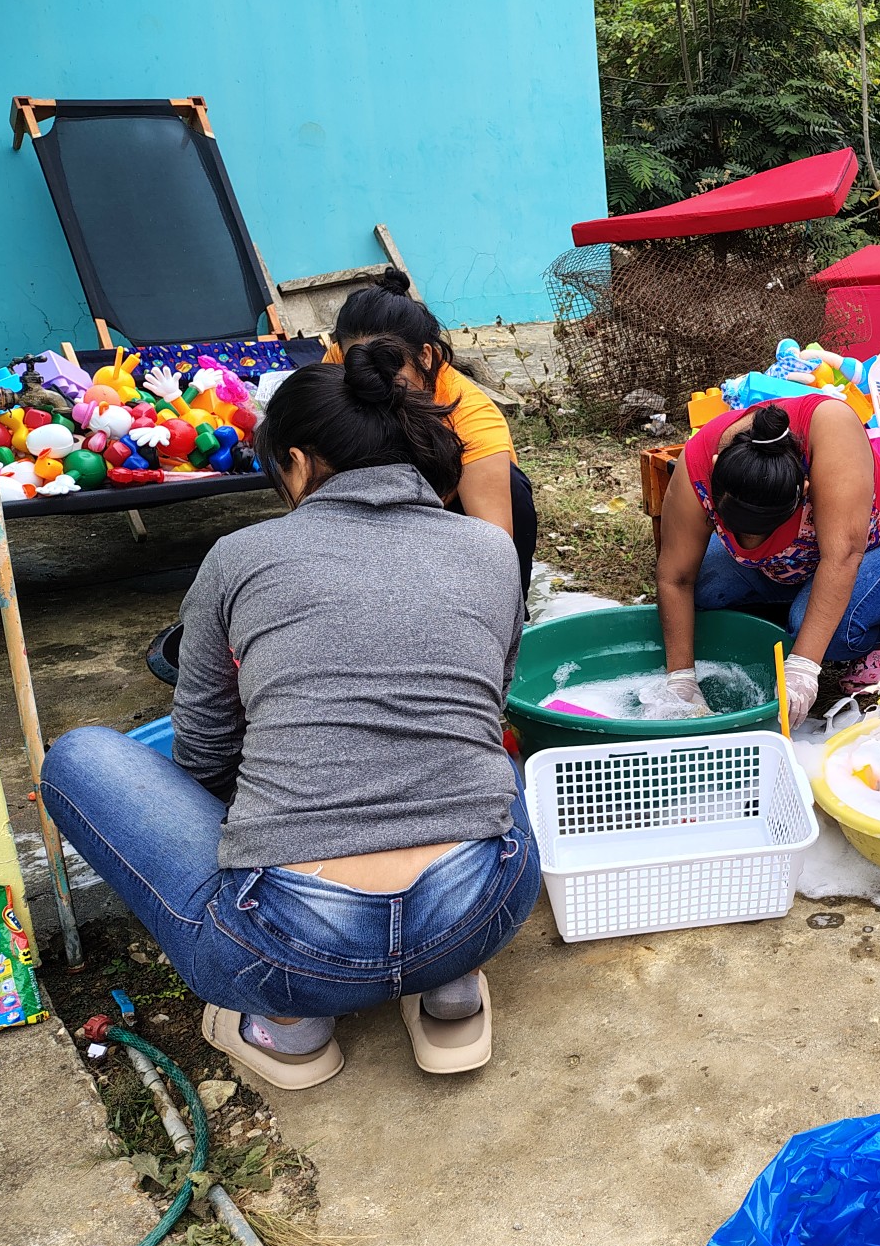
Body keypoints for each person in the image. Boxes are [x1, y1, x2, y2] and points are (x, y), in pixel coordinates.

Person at [38, 338, 538, 1090]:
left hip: (286, 948)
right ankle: (450, 991)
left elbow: (204, 749)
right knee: (489, 754)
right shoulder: (490, 550)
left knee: (77, 757)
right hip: (479, 910)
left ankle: (292, 1026)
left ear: (298, 462)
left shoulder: (238, 557)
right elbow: (485, 704)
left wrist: (279, 810)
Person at [658, 394, 880, 729]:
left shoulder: (832, 429)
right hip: (794, 563)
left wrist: (803, 666)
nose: (750, 546)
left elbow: (842, 557)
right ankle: (797, 616)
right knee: (706, 589)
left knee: (829, 634)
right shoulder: (698, 462)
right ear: (716, 469)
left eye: (765, 532)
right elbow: (675, 577)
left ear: (805, 490)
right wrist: (681, 678)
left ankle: (878, 640)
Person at [331, 268, 539, 588]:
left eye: (388, 364)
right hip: (373, 514)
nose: (371, 381)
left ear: (425, 357)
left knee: (511, 490)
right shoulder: (339, 361)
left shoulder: (473, 421)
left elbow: (493, 552)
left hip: (446, 519)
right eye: (357, 365)